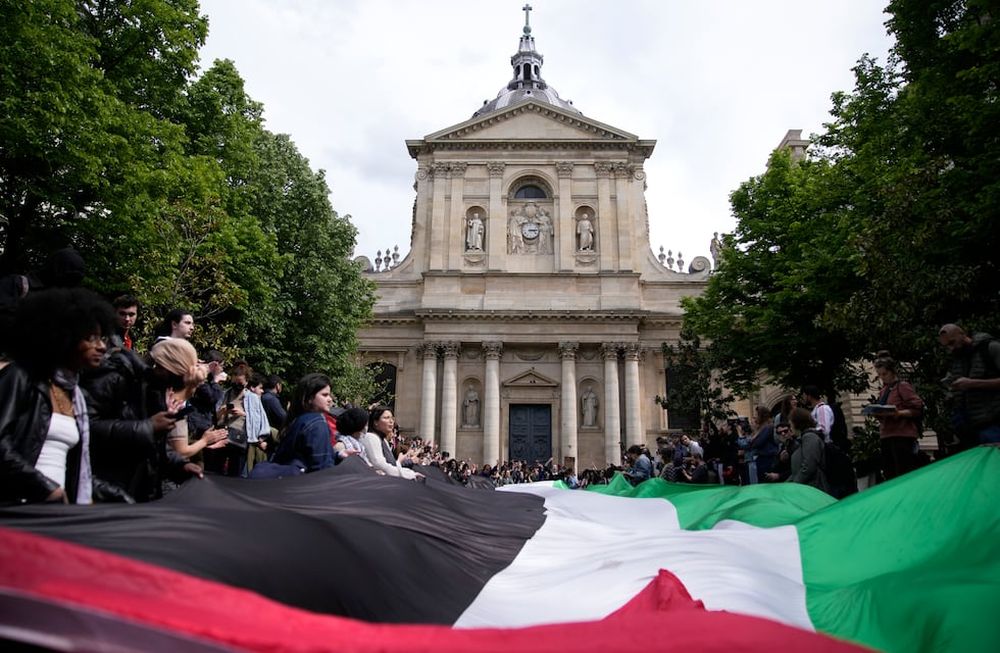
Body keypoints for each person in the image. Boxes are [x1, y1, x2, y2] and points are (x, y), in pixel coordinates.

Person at [0, 288, 115, 504]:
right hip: (16, 510)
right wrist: (44, 487)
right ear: (64, 337)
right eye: (91, 338)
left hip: (53, 514)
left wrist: (117, 497)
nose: (101, 347)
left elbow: (76, 470)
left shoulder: (75, 394)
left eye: (102, 338)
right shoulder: (22, 377)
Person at [939, 323, 1000, 445]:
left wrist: (972, 383)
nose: (951, 349)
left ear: (962, 334)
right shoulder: (958, 359)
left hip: (993, 421)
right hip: (969, 426)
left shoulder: (991, 348)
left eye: (952, 343)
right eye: (947, 346)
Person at [269, 373, 337, 473]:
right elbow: (322, 468)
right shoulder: (317, 423)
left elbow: (305, 456)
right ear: (309, 398)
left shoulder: (298, 419)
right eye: (324, 395)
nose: (330, 399)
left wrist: (337, 454)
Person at [872, 351, 924, 480]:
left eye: (885, 374)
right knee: (890, 471)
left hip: (902, 435)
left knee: (903, 471)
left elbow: (918, 408)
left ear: (892, 371)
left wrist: (899, 413)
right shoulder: (884, 390)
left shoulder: (902, 386)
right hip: (887, 434)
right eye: (880, 375)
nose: (883, 377)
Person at [363, 407, 422, 480]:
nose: (391, 421)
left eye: (392, 418)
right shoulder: (371, 437)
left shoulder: (383, 440)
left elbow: (392, 465)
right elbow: (381, 466)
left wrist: (409, 472)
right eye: (386, 418)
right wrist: (409, 475)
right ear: (376, 422)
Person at [786, 407, 831, 494]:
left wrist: (794, 484)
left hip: (813, 490)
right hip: (805, 488)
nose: (790, 428)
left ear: (797, 423)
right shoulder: (803, 439)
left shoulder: (809, 437)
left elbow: (809, 466)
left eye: (791, 424)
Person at [748, 406, 779, 483]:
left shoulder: (768, 427)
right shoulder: (761, 428)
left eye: (757, 415)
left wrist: (754, 436)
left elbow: (757, 443)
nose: (755, 417)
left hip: (768, 459)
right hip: (762, 459)